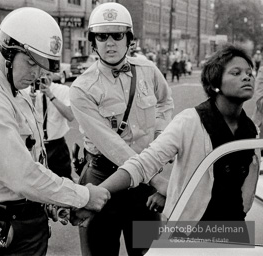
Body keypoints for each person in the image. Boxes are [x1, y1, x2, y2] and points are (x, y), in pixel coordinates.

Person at [0, 7, 110, 256]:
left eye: (42, 67)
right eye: (31, 63)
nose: (36, 74)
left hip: (23, 221)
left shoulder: (13, 87)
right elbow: (21, 175)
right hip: (4, 228)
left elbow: (33, 159)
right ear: (8, 50)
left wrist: (54, 204)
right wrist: (82, 196)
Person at [98, 44, 259, 242]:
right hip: (191, 234)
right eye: (236, 72)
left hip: (235, 233)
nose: (247, 77)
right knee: (142, 240)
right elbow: (143, 163)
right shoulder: (190, 121)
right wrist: (97, 192)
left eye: (250, 72)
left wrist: (172, 193)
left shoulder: (251, 130)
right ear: (216, 83)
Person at [69, 3, 174, 256]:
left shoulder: (148, 71)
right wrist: (156, 178)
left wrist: (160, 138)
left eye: (118, 35)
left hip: (144, 187)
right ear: (93, 42)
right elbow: (110, 144)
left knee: (148, 251)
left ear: (130, 39)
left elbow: (165, 102)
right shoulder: (82, 88)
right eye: (102, 36)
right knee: (101, 251)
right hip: (104, 180)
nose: (110, 43)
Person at [25, 71, 74, 180]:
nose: (44, 78)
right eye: (41, 74)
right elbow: (22, 121)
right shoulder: (26, 91)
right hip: (35, 145)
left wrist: (51, 95)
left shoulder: (63, 90)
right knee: (36, 182)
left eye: (48, 74)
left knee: (64, 180)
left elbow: (70, 116)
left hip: (57, 145)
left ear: (54, 74)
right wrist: (30, 102)